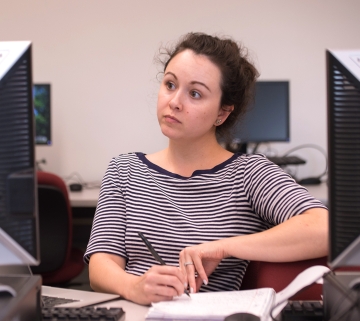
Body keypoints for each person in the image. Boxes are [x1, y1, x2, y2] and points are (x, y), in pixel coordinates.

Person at [84, 32, 328, 306]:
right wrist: (134, 287)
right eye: (170, 84)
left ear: (222, 113)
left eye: (195, 93)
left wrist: (224, 248)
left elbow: (325, 228)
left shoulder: (249, 174)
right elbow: (100, 266)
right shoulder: (124, 170)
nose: (175, 101)